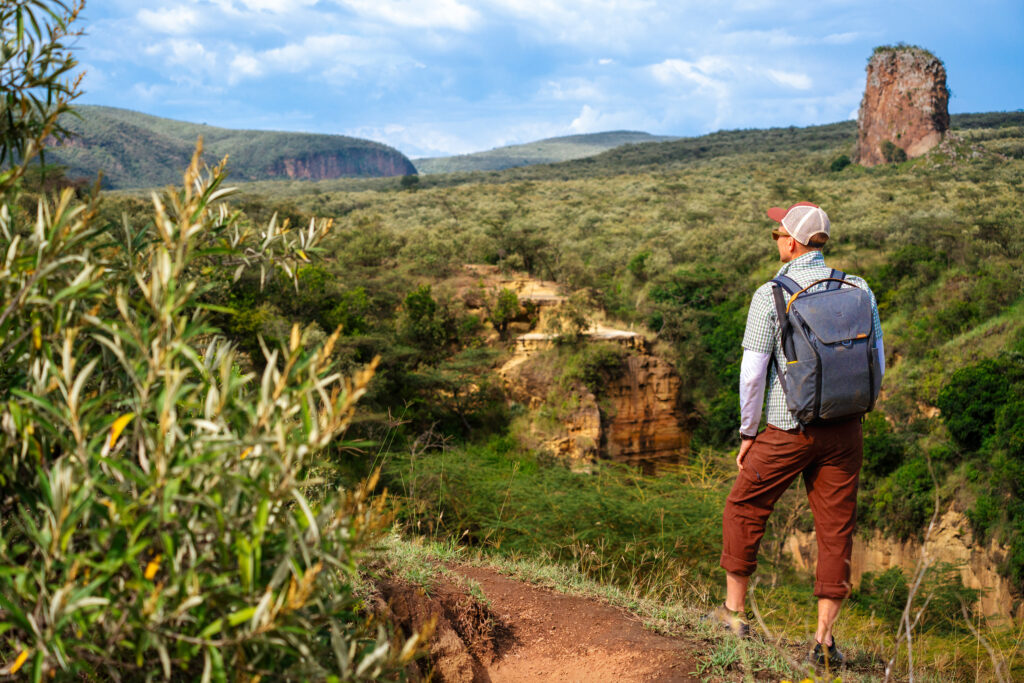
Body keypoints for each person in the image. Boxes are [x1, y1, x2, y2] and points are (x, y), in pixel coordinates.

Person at [707, 202, 885, 667]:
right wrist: (856, 410)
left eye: (777, 232)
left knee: (745, 505)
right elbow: (878, 361)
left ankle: (733, 616)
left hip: (790, 427)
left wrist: (748, 433)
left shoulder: (770, 293)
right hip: (846, 431)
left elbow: (751, 375)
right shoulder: (859, 287)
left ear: (792, 241)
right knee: (835, 531)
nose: (776, 239)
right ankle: (824, 643)